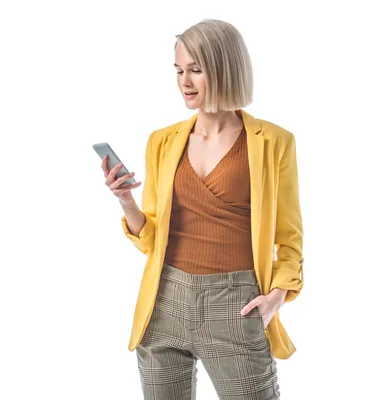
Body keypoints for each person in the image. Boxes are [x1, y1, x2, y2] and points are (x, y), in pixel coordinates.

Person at [100, 19, 304, 400]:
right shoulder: (162, 142)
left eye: (196, 70)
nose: (184, 82)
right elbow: (151, 239)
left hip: (236, 305)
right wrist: (125, 200)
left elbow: (289, 241)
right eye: (179, 70)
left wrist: (276, 297)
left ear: (225, 69)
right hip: (164, 301)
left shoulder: (274, 142)